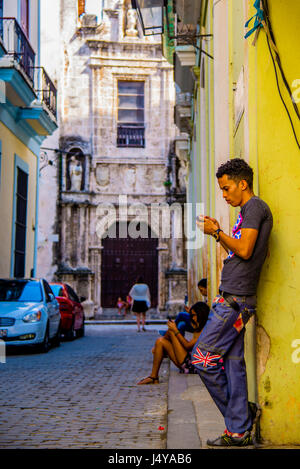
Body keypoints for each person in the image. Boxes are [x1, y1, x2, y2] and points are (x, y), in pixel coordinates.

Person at [192, 158, 273, 447]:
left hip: (236, 301)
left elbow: (246, 250)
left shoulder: (255, 208)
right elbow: (236, 250)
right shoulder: (245, 211)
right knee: (232, 365)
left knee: (202, 359)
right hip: (231, 296)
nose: (224, 195)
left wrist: (217, 232)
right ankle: (238, 431)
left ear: (243, 184)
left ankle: (240, 419)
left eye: (226, 188)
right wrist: (220, 235)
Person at [137, 302, 210, 385]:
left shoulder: (205, 330)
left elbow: (187, 346)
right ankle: (154, 377)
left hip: (192, 366)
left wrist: (175, 331)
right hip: (190, 360)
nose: (191, 318)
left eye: (193, 315)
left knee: (171, 332)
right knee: (160, 341)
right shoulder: (199, 327)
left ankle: (159, 350)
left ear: (200, 315)